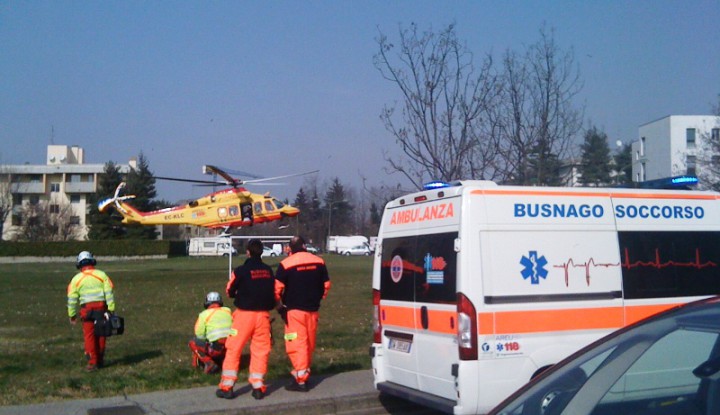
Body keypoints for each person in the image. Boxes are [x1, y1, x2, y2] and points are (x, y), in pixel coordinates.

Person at [217, 239, 276, 400]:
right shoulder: (268, 270)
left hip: (244, 315)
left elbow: (229, 290)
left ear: (248, 252)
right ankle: (258, 386)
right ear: (262, 252)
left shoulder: (240, 270)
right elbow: (274, 291)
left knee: (234, 349)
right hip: (263, 316)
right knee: (260, 351)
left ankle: (227, 386)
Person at [274, 235, 331, 392]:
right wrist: (318, 298)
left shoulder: (285, 264)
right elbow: (326, 285)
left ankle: (300, 379)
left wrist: (280, 308)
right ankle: (304, 372)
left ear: (290, 249)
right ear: (305, 246)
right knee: (309, 344)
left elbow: (276, 290)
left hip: (294, 310)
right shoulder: (319, 261)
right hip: (312, 310)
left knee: (297, 344)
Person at [67, 251, 116, 372]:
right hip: (101, 309)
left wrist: (72, 315)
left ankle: (92, 362)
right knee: (101, 334)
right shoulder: (102, 275)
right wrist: (111, 308)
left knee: (89, 336)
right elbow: (109, 292)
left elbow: (72, 298)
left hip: (86, 310)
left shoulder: (76, 279)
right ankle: (100, 359)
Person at [188, 292, 233, 374]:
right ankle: (225, 362)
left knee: (193, 342)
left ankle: (209, 363)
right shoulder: (228, 311)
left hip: (216, 348)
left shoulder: (204, 315)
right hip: (231, 348)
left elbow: (199, 334)